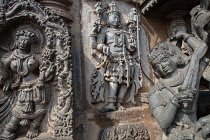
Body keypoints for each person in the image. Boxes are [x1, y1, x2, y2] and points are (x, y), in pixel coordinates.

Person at [0, 29, 54, 139]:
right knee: (18, 110)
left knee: (39, 108)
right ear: (16, 41)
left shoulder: (35, 56)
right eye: (21, 40)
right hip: (21, 87)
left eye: (26, 41)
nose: (23, 43)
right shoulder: (10, 56)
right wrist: (7, 80)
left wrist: (45, 75)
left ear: (31, 43)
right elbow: (2, 69)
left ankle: (34, 127)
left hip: (38, 86)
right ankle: (8, 130)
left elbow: (46, 67)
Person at [90, 2, 141, 112]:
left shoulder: (124, 32)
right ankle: (111, 103)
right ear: (108, 19)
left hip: (125, 60)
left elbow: (130, 48)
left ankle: (119, 103)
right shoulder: (105, 31)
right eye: (113, 17)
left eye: (117, 17)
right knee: (113, 80)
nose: (116, 19)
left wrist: (132, 43)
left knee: (125, 81)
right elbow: (96, 45)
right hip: (112, 59)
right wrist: (103, 48)